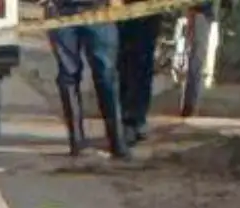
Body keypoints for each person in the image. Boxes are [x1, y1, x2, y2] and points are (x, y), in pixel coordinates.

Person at [46, 0, 128, 159]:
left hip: (98, 10)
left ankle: (117, 142)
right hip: (62, 11)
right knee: (69, 74)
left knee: (105, 75)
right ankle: (77, 142)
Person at [117, 0, 160, 147]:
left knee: (143, 58)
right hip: (121, 8)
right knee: (124, 59)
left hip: (149, 8)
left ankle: (136, 117)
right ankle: (125, 118)